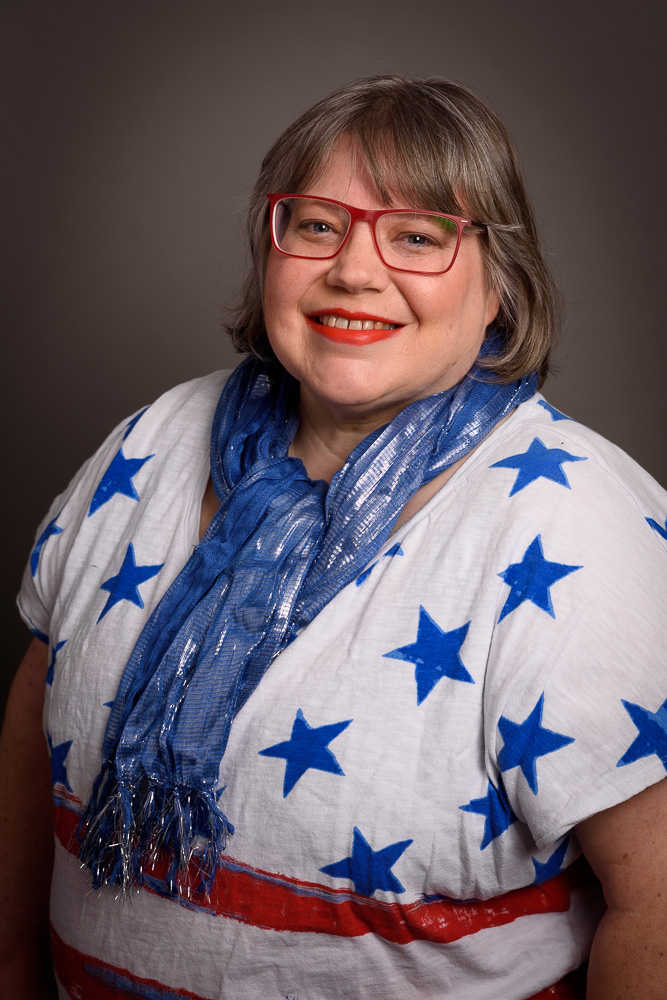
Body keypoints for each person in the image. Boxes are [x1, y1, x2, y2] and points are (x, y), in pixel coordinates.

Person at [1, 74, 666, 1000]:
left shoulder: (577, 523)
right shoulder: (152, 440)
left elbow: (657, 906)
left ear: (498, 287)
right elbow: (35, 724)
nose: (354, 271)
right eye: (317, 226)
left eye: (417, 237)